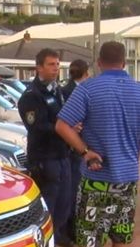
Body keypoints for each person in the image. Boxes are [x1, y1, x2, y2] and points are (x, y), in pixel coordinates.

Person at [56, 41, 140, 247]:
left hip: (95, 179)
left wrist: (85, 151)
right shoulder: (138, 91)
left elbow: (61, 125)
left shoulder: (87, 89)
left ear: (99, 62)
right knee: (120, 238)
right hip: (127, 182)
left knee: (89, 239)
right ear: (124, 63)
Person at [18, 48, 72, 247]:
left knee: (64, 207)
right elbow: (38, 127)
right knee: (49, 207)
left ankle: (57, 240)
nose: (55, 68)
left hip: (62, 155)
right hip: (46, 159)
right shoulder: (32, 96)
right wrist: (66, 129)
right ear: (38, 67)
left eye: (57, 64)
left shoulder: (57, 90)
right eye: (51, 64)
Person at [61, 59, 89, 242]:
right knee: (71, 192)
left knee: (74, 191)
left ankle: (71, 229)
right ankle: (68, 231)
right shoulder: (72, 91)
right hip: (72, 148)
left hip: (76, 148)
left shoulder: (68, 89)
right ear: (85, 74)